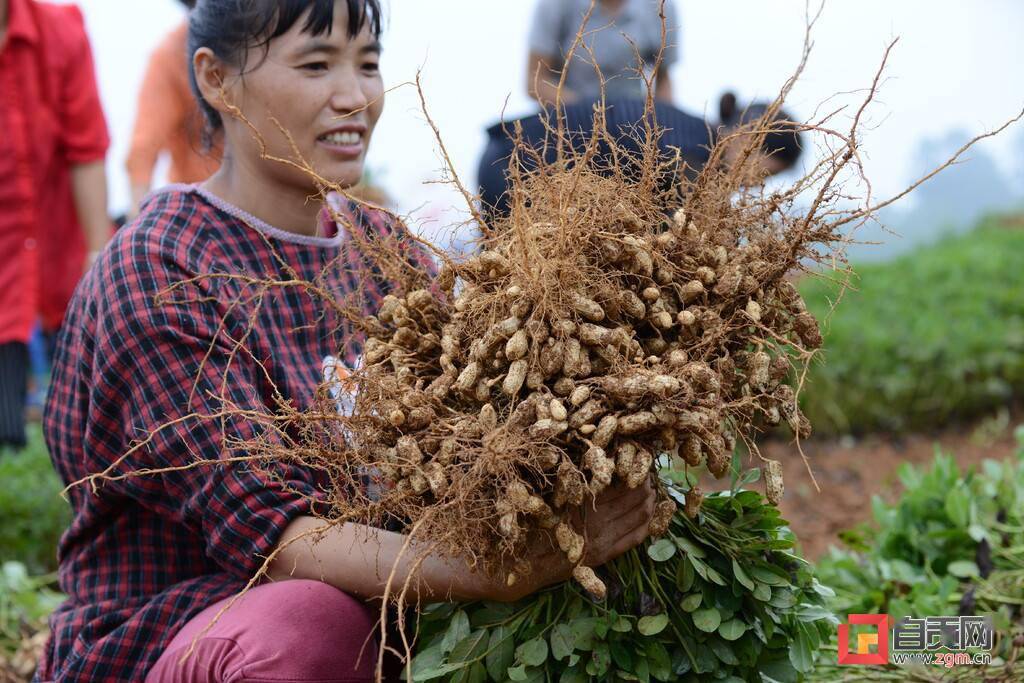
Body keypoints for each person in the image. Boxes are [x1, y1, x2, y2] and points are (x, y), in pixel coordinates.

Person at [38, 1, 657, 681]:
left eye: (366, 63)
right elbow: (279, 539)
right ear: (216, 79)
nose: (354, 96)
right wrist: (503, 571)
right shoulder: (164, 268)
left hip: (384, 619)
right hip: (183, 630)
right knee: (309, 624)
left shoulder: (385, 250)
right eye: (316, 64)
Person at [0, 0, 110, 450]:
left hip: (55, 259)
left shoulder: (60, 32)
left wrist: (97, 256)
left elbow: (86, 149)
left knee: (82, 430)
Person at [477, 93, 804, 219]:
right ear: (746, 138)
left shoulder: (695, 136)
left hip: (506, 156)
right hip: (512, 166)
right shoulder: (690, 157)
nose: (754, 186)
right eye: (764, 174)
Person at [125, 0, 222, 216]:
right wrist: (137, 222)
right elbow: (144, 148)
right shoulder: (170, 56)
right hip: (200, 209)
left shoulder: (271, 40)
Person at [527, 0, 680, 106]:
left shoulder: (659, 7)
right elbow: (535, 80)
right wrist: (588, 111)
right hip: (568, 120)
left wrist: (659, 124)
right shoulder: (556, 5)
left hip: (632, 123)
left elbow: (664, 81)